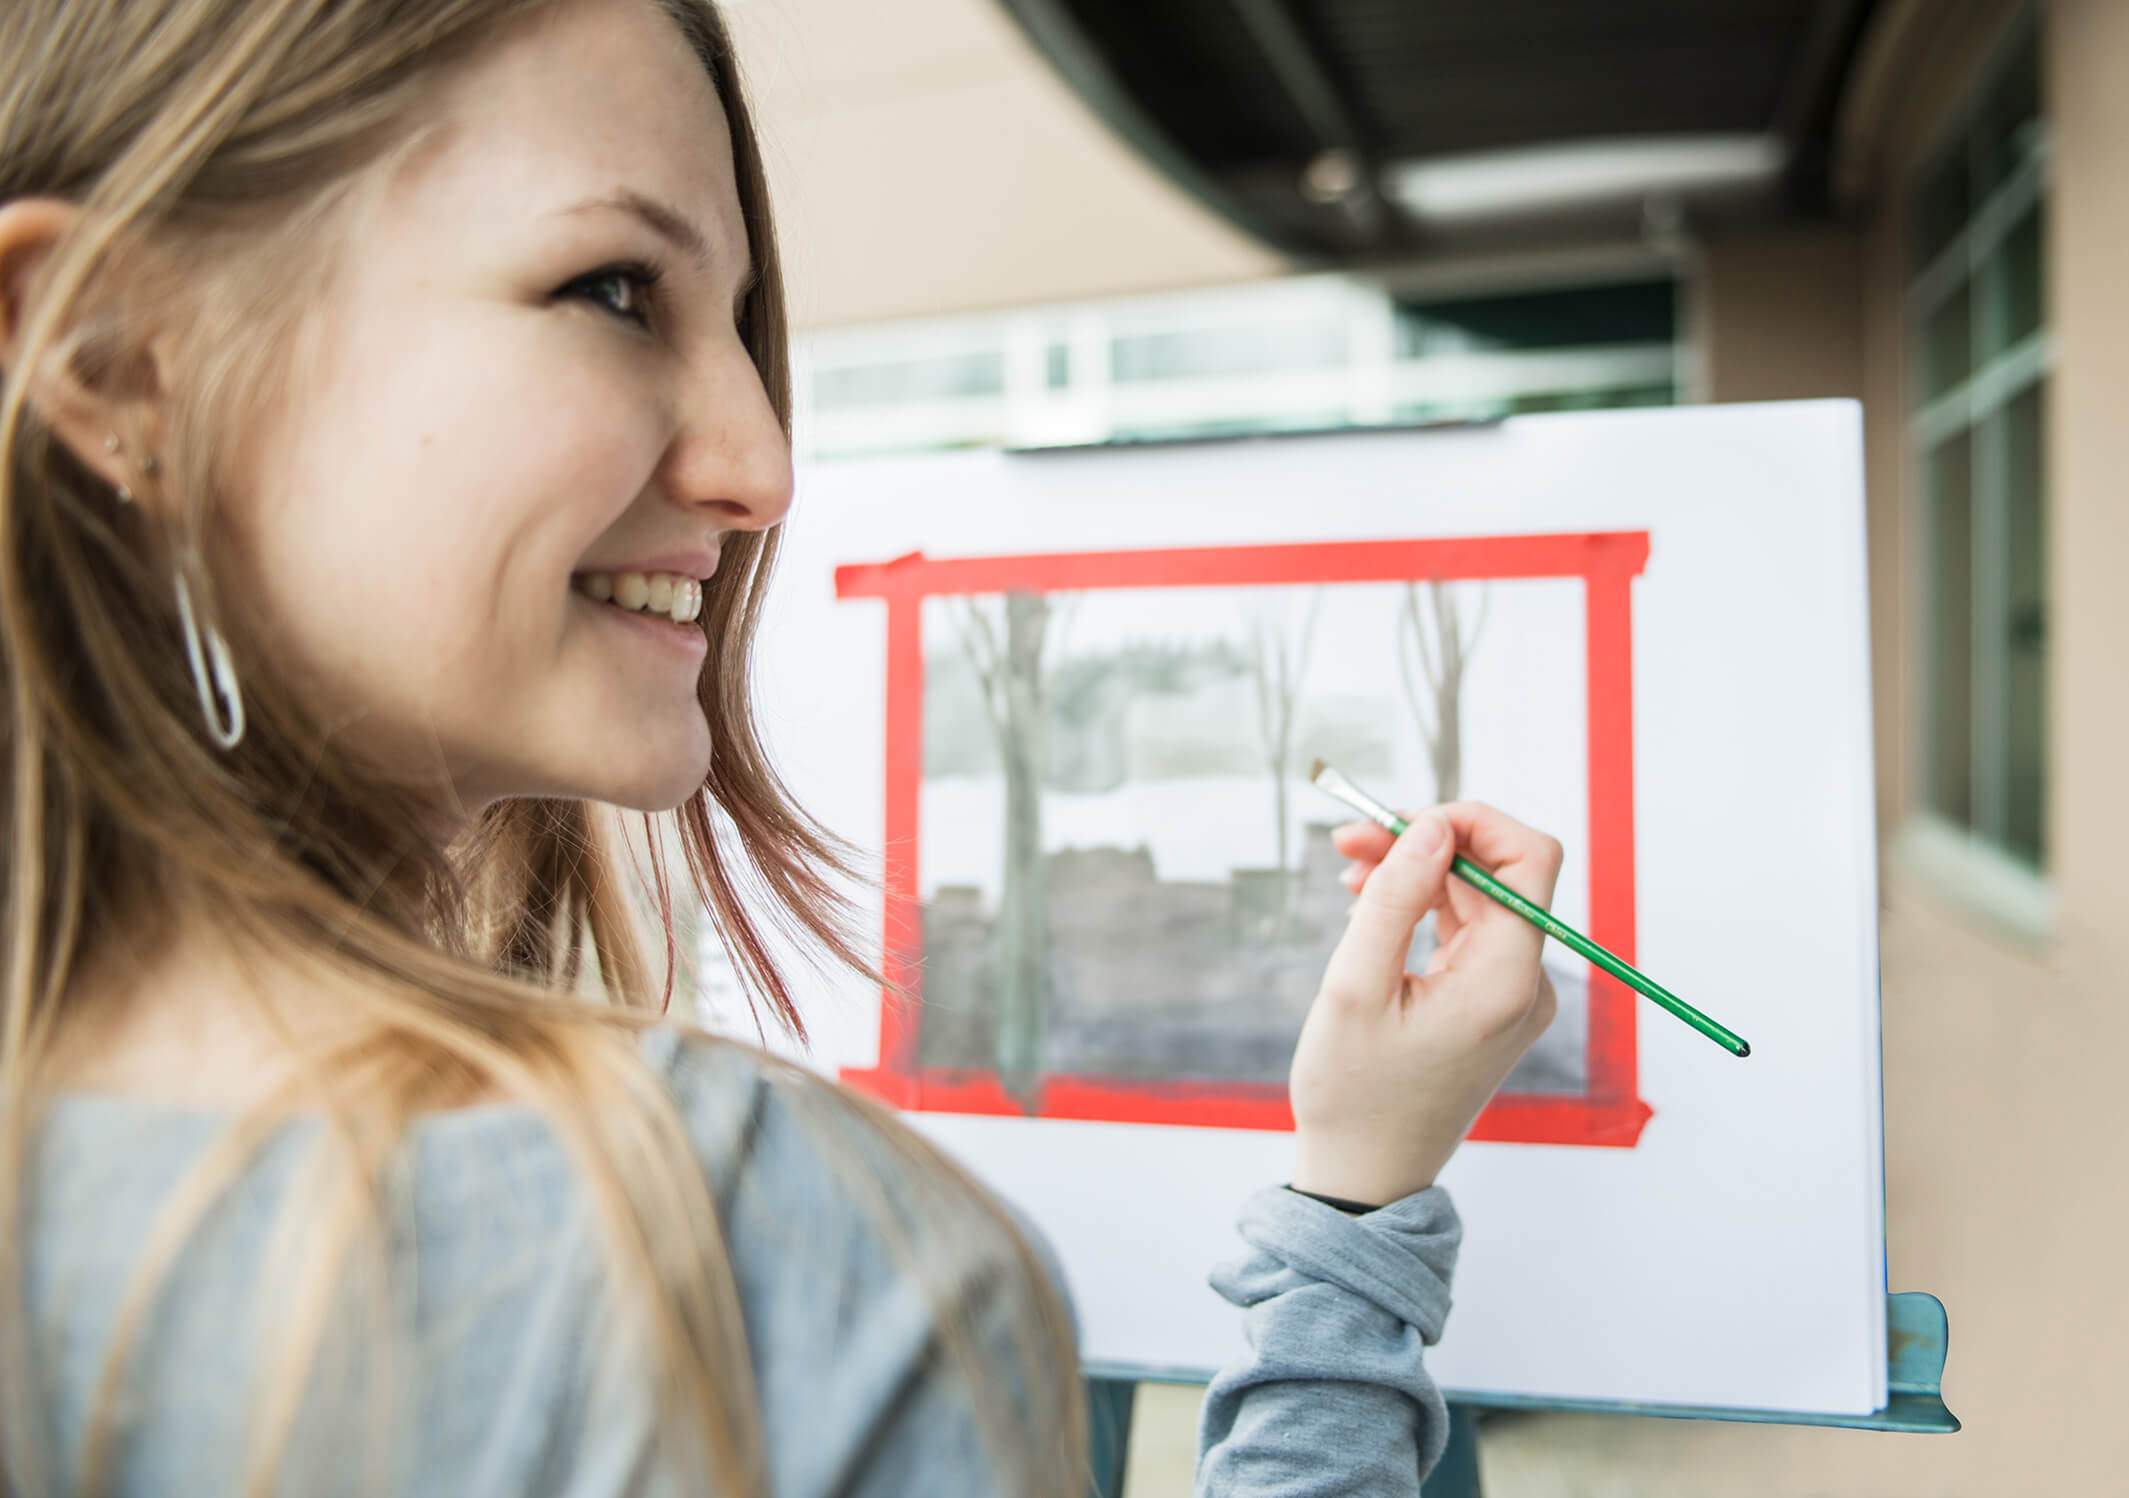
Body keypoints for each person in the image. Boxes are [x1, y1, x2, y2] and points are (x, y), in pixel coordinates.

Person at [0, 0, 1561, 1493]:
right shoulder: (760, 1264)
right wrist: (1355, 1225)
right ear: (121, 363)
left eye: (741, 325)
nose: (762, 462)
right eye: (613, 290)